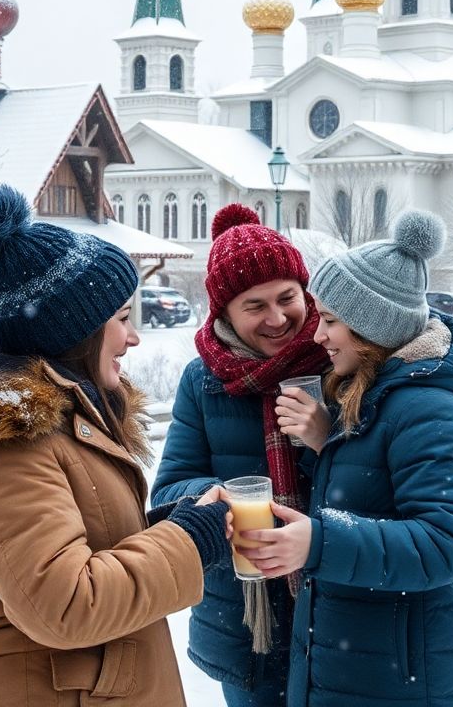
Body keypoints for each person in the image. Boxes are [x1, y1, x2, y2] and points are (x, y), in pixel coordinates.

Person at [0, 185, 232, 707]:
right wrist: (189, 544)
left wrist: (167, 526)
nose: (133, 338)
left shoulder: (61, 422)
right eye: (122, 319)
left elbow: (72, 542)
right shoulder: (4, 446)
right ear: (77, 331)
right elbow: (65, 605)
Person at [240, 210, 453, 707]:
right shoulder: (366, 395)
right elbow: (371, 490)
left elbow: (443, 545)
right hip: (360, 669)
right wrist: (325, 440)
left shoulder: (430, 408)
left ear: (372, 328)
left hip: (407, 681)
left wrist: (319, 542)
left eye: (331, 321)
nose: (318, 336)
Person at [151, 203, 331, 707]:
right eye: (255, 306)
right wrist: (215, 497)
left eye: (287, 297)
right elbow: (169, 489)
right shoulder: (203, 381)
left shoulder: (337, 361)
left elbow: (370, 481)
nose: (277, 318)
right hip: (247, 622)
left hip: (336, 606)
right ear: (224, 312)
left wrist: (325, 439)